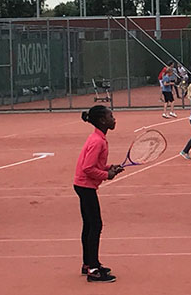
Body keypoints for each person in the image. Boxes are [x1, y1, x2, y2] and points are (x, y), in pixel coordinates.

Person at [75, 105, 123, 283]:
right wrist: (106, 175)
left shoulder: (97, 137)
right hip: (85, 186)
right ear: (103, 121)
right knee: (95, 225)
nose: (114, 118)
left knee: (89, 225)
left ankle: (88, 264)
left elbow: (93, 165)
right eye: (111, 116)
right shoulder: (98, 141)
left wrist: (109, 168)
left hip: (82, 185)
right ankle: (93, 270)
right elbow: (88, 168)